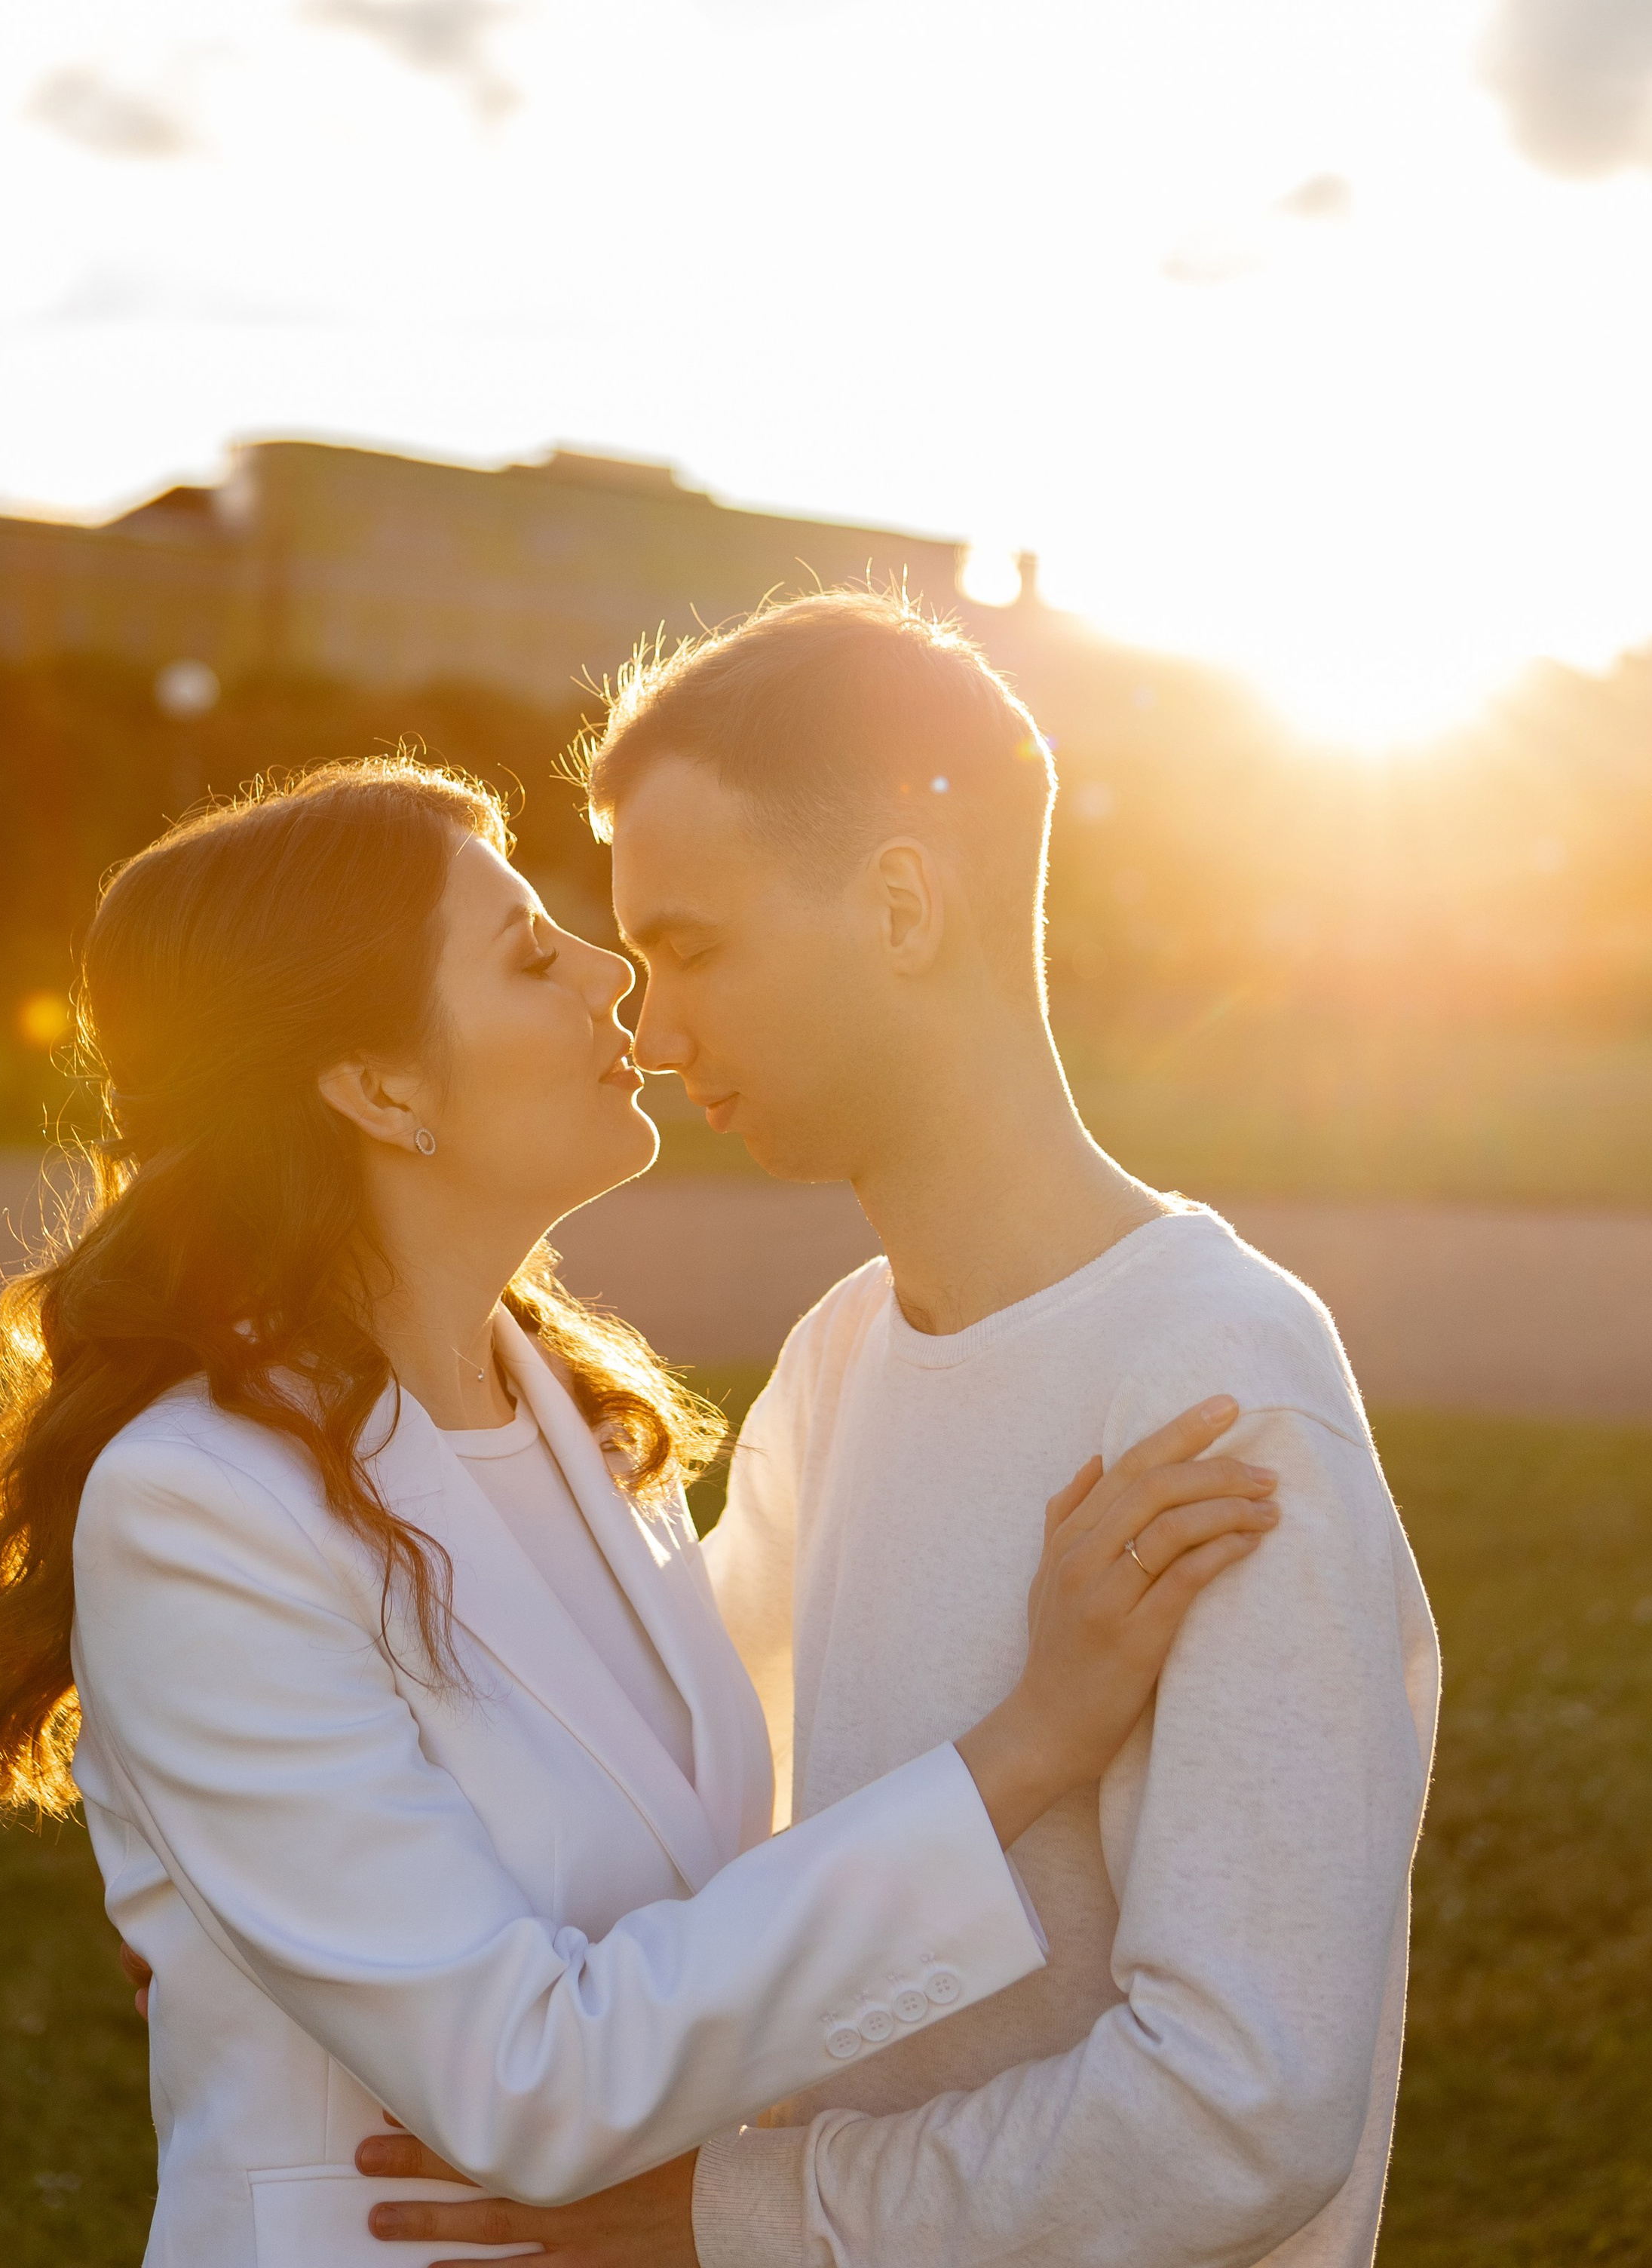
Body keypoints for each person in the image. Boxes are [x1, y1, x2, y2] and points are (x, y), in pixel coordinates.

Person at [0, 752, 1276, 2267]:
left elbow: (708, 1845)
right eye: (525, 953)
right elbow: (523, 2080)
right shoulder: (195, 1510)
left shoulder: (581, 1429)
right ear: (378, 1088)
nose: (608, 974)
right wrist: (1033, 1739)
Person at [357, 593, 1440, 2268]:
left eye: (693, 948)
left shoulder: (1214, 1387)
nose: (649, 1030)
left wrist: (743, 2216)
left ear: (900, 902)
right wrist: (279, 1908)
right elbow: (649, 1817)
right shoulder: (841, 1360)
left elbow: (1243, 2105)